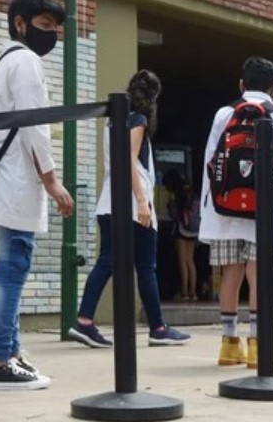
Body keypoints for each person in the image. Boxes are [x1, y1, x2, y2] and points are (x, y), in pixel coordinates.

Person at [0, 0, 74, 391]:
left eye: (55, 28)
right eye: (44, 25)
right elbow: (36, 124)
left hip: (2, 182)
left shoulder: (3, 62)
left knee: (10, 267)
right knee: (12, 270)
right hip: (15, 183)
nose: (51, 35)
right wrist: (51, 179)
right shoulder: (26, 61)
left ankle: (10, 353)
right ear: (20, 23)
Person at [68, 71, 191, 349]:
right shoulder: (138, 120)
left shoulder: (113, 122)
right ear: (153, 98)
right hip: (131, 205)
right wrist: (142, 202)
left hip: (109, 201)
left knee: (107, 261)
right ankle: (158, 328)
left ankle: (84, 321)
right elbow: (130, 161)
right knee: (146, 267)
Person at [199, 57, 273, 368]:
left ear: (241, 84)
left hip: (225, 209)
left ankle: (229, 345)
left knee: (231, 273)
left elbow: (210, 161)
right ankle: (258, 346)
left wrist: (209, 212)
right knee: (259, 275)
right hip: (265, 212)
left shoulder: (224, 113)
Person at [168, 173, 200, 302]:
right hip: (193, 231)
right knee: (190, 261)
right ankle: (193, 292)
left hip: (181, 231)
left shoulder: (177, 196)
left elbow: (173, 214)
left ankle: (184, 292)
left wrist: (170, 204)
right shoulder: (192, 195)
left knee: (182, 261)